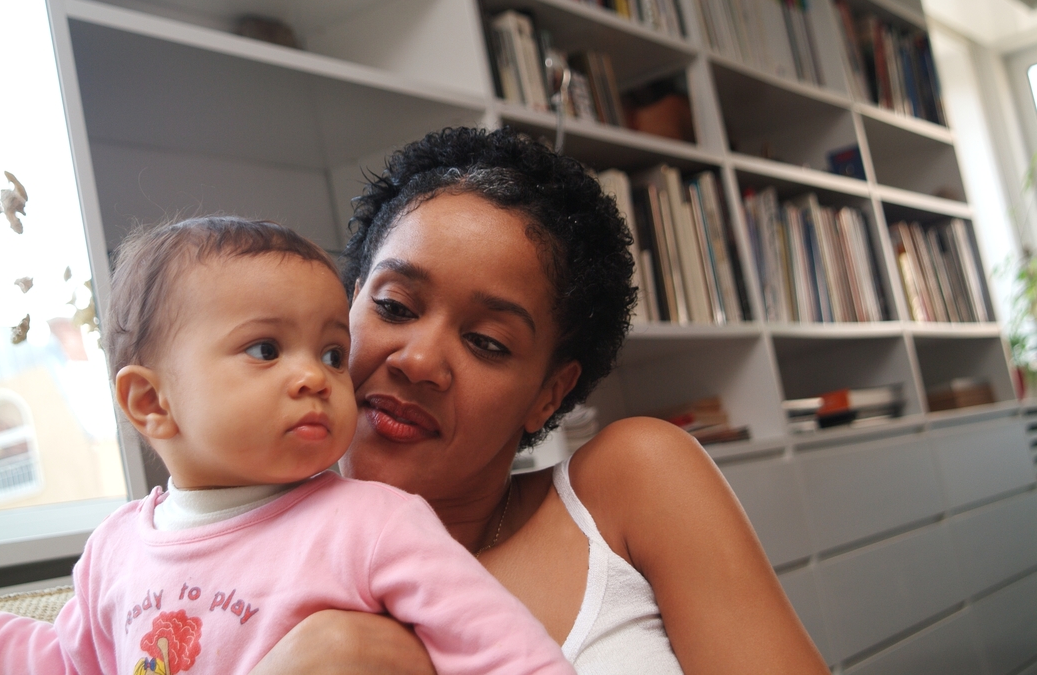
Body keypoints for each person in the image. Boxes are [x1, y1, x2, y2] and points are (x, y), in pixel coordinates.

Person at [251, 127, 829, 674]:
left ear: (549, 395)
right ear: (346, 310)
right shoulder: (223, 569)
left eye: (486, 342)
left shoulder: (629, 487)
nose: (419, 361)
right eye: (396, 307)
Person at [0, 217, 576, 675]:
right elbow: (62, 664)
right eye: (266, 350)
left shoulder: (376, 524)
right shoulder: (113, 551)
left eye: (331, 354)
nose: (315, 378)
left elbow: (506, 653)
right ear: (151, 402)